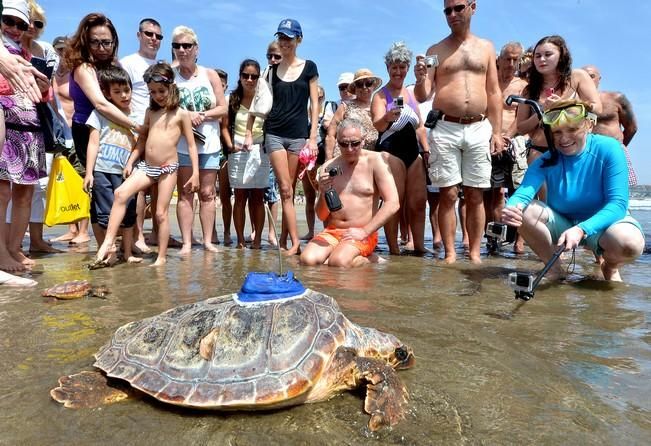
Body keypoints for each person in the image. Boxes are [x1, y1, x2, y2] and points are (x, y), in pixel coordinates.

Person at [501, 99, 644, 282]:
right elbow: (523, 193)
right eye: (557, 132)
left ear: (589, 125)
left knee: (629, 243)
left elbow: (618, 204)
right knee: (525, 211)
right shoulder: (545, 160)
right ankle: (554, 268)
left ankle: (610, 267)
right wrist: (511, 207)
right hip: (563, 227)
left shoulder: (610, 149)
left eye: (572, 130)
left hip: (603, 228)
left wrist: (581, 229)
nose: (564, 138)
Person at [414, 0, 504, 264]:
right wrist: (420, 77)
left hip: (478, 126)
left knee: (477, 193)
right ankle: (451, 254)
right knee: (448, 193)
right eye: (447, 10)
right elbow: (423, 94)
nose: (452, 14)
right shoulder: (435, 50)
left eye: (458, 8)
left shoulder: (486, 47)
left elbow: (494, 91)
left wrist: (497, 132)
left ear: (473, 8)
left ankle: (474, 253)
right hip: (445, 126)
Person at [95, 62, 199, 267]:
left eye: (161, 91)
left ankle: (160, 256)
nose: (157, 95)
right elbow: (142, 140)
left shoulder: (181, 114)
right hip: (147, 167)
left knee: (160, 213)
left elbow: (192, 145)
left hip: (168, 169)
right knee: (120, 193)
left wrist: (195, 172)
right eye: (152, 92)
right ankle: (108, 241)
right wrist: (131, 160)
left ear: (171, 87)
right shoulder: (150, 113)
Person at [64, 13, 141, 245]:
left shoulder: (114, 66)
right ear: (85, 41)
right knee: (98, 191)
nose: (101, 47)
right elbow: (100, 104)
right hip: (89, 133)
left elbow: (128, 99)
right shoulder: (83, 68)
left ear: (114, 41)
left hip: (118, 134)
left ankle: (125, 244)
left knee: (124, 188)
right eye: (95, 42)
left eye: (106, 42)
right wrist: (137, 126)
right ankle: (103, 247)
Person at [247, 19, 318, 256]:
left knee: (292, 186)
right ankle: (296, 244)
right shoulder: (271, 71)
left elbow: (314, 105)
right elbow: (260, 104)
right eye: (281, 37)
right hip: (274, 134)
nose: (284, 42)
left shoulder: (309, 67)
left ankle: (287, 238)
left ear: (299, 39)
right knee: (285, 189)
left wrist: (312, 136)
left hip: (298, 136)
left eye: (289, 37)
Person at [299, 119, 399, 267]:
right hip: (333, 231)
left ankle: (369, 259)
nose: (350, 149)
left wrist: (365, 231)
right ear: (338, 143)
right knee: (307, 260)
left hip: (362, 233)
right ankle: (342, 256)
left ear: (363, 141)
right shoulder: (328, 167)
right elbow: (321, 215)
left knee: (338, 262)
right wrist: (325, 191)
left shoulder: (376, 161)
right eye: (344, 144)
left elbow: (393, 203)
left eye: (355, 143)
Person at [0, 0, 50, 272]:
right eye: (9, 21)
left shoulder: (30, 51)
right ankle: (1, 253)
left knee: (25, 193)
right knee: (2, 192)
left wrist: (44, 87)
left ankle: (14, 247)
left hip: (30, 126)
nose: (15, 29)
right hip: (6, 124)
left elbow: (41, 95)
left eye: (22, 24)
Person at [171, 25, 226, 255]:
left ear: (196, 49)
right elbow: (162, 107)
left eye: (187, 46)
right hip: (181, 145)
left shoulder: (209, 74)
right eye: (177, 46)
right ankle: (186, 242)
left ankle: (206, 241)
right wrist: (185, 116)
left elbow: (223, 108)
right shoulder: (169, 76)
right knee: (185, 193)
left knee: (207, 194)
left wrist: (201, 115)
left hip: (210, 144)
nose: (182, 50)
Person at [372, 42, 429, 255]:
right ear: (387, 68)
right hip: (390, 151)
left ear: (407, 68)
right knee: (394, 202)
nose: (398, 71)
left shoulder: (412, 93)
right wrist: (387, 116)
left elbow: (420, 126)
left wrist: (425, 150)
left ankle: (420, 246)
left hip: (413, 152)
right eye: (394, 67)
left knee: (418, 202)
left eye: (402, 66)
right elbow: (377, 124)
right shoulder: (380, 95)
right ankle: (394, 249)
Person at [83, 66, 141, 266]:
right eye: (117, 92)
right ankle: (111, 251)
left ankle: (127, 251)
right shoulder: (99, 114)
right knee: (106, 213)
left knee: (129, 212)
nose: (124, 95)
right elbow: (93, 142)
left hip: (126, 172)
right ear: (106, 93)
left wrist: (132, 163)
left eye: (127, 90)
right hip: (102, 170)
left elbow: (139, 146)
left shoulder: (137, 116)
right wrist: (89, 172)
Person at [516, 35, 601, 163]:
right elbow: (521, 128)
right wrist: (542, 111)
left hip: (575, 152)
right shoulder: (529, 90)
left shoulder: (577, 76)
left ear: (561, 56)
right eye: (537, 56)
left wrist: (565, 105)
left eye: (548, 54)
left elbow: (597, 108)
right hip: (540, 152)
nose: (542, 59)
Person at [120, 17, 163, 254]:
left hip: (159, 135)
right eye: (149, 34)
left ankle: (157, 233)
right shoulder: (128, 63)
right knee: (138, 188)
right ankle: (137, 236)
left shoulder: (163, 66)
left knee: (159, 185)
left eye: (158, 36)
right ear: (139, 35)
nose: (153, 39)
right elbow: (117, 95)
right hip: (135, 132)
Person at [220, 59, 270, 249]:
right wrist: (231, 146)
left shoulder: (264, 98)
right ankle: (240, 241)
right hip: (238, 151)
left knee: (258, 197)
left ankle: (257, 241)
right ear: (239, 77)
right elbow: (224, 127)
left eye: (254, 76)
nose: (249, 79)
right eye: (245, 75)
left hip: (260, 149)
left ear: (259, 78)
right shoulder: (230, 99)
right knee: (239, 197)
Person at [485, 41, 528, 252]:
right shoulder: (489, 82)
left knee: (518, 191)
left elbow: (521, 116)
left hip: (516, 141)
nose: (511, 63)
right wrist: (494, 136)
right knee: (493, 193)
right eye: (508, 58)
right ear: (499, 59)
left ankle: (519, 242)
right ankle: (493, 238)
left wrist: (507, 137)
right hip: (490, 139)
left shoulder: (522, 86)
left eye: (515, 59)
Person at [582, 64, 638, 186]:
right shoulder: (574, 103)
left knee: (618, 190)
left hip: (614, 151)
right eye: (584, 77)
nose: (588, 80)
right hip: (586, 154)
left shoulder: (616, 98)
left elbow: (631, 128)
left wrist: (616, 146)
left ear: (599, 79)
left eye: (591, 76)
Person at [326, 68, 381, 159]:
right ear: (355, 87)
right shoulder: (345, 106)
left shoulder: (379, 107)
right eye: (360, 84)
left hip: (369, 160)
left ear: (373, 86)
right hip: (344, 158)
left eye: (368, 83)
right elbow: (330, 135)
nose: (364, 87)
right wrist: (328, 160)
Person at [215, 67, 231, 246]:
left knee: (225, 196)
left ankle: (227, 232)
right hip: (207, 151)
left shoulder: (229, 103)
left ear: (225, 86)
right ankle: (211, 232)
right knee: (208, 194)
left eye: (222, 84)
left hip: (225, 154)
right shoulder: (206, 101)